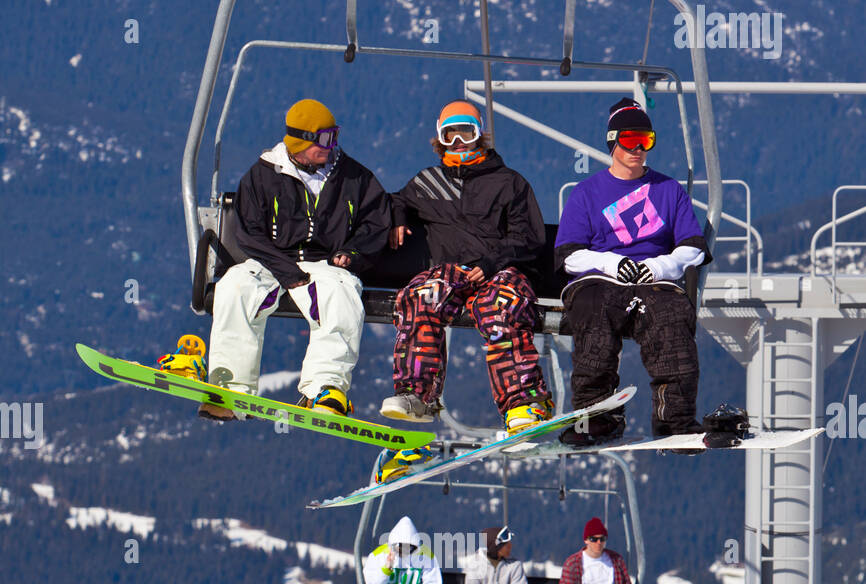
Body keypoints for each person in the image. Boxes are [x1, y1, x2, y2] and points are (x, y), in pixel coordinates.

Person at [196, 98, 390, 421]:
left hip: (326, 264)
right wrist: (284, 269)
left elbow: (376, 222)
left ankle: (327, 389)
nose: (332, 147)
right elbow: (248, 232)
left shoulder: (354, 177)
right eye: (325, 139)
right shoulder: (263, 176)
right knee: (234, 288)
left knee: (341, 295)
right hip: (271, 260)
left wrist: (352, 254)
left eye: (335, 136)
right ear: (302, 141)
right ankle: (229, 386)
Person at [381, 100, 552, 436]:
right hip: (452, 272)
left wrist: (492, 263)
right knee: (421, 295)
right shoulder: (429, 182)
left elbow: (530, 238)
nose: (459, 144)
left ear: (480, 136)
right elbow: (396, 199)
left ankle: (523, 402)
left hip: (501, 271)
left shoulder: (508, 183)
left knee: (499, 306)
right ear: (439, 139)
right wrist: (397, 216)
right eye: (450, 136)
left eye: (466, 134)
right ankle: (418, 394)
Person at [554, 98, 711, 447]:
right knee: (594, 320)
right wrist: (610, 263)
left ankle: (675, 419)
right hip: (598, 280)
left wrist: (657, 266)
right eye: (629, 140)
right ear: (613, 141)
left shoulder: (668, 190)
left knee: (671, 319)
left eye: (646, 140)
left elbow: (693, 247)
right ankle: (596, 417)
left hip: (652, 282)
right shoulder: (586, 194)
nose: (639, 148)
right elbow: (569, 255)